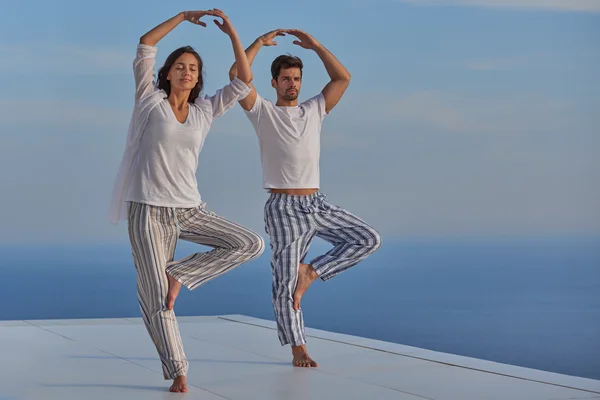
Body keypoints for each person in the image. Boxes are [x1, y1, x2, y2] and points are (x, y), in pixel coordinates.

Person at [108, 9, 264, 392]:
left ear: (198, 77)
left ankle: (182, 272)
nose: (187, 72)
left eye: (193, 68)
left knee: (251, 243)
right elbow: (146, 43)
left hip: (190, 210)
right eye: (179, 66)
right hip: (148, 211)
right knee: (156, 298)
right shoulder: (150, 100)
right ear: (167, 73)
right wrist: (182, 16)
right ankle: (179, 369)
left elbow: (244, 80)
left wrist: (234, 35)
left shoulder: (204, 111)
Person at [229, 29, 382, 368]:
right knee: (283, 282)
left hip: (317, 203)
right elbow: (235, 77)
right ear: (274, 83)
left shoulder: (314, 109)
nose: (292, 84)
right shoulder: (262, 111)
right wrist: (255, 45)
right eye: (286, 79)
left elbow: (342, 78)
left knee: (368, 239)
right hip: (284, 208)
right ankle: (299, 348)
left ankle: (311, 272)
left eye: (296, 78)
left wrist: (316, 47)